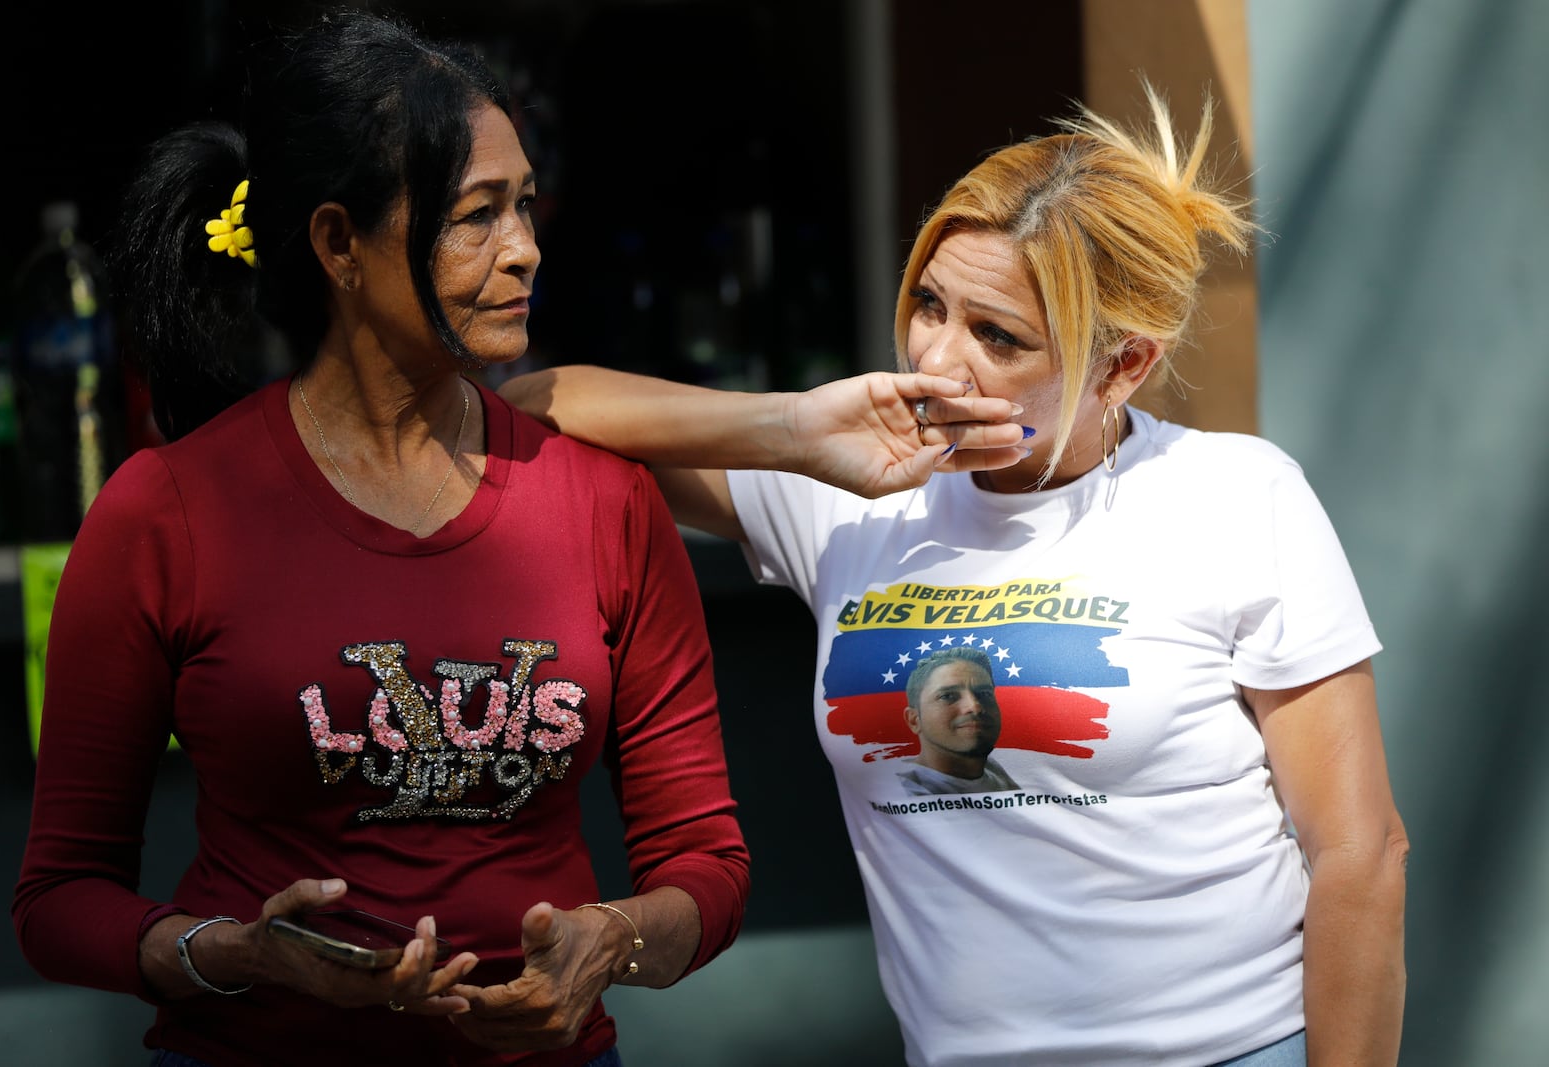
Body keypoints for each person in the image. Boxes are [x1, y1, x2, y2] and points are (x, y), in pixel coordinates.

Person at [501, 84, 1409, 1066]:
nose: (938, 359)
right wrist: (797, 431)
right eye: (928, 304)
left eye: (999, 336)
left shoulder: (1232, 494)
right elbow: (539, 405)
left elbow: (1359, 852)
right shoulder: (849, 492)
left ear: (1124, 366)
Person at [10, 9, 749, 1066]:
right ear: (337, 243)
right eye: (475, 215)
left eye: (527, 205)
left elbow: (705, 861)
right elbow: (57, 898)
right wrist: (245, 952)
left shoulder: (605, 502)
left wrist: (612, 939)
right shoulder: (164, 512)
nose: (524, 250)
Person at [896, 647, 1020, 796]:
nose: (974, 706)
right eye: (948, 696)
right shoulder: (899, 791)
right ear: (914, 720)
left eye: (984, 693)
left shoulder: (994, 770)